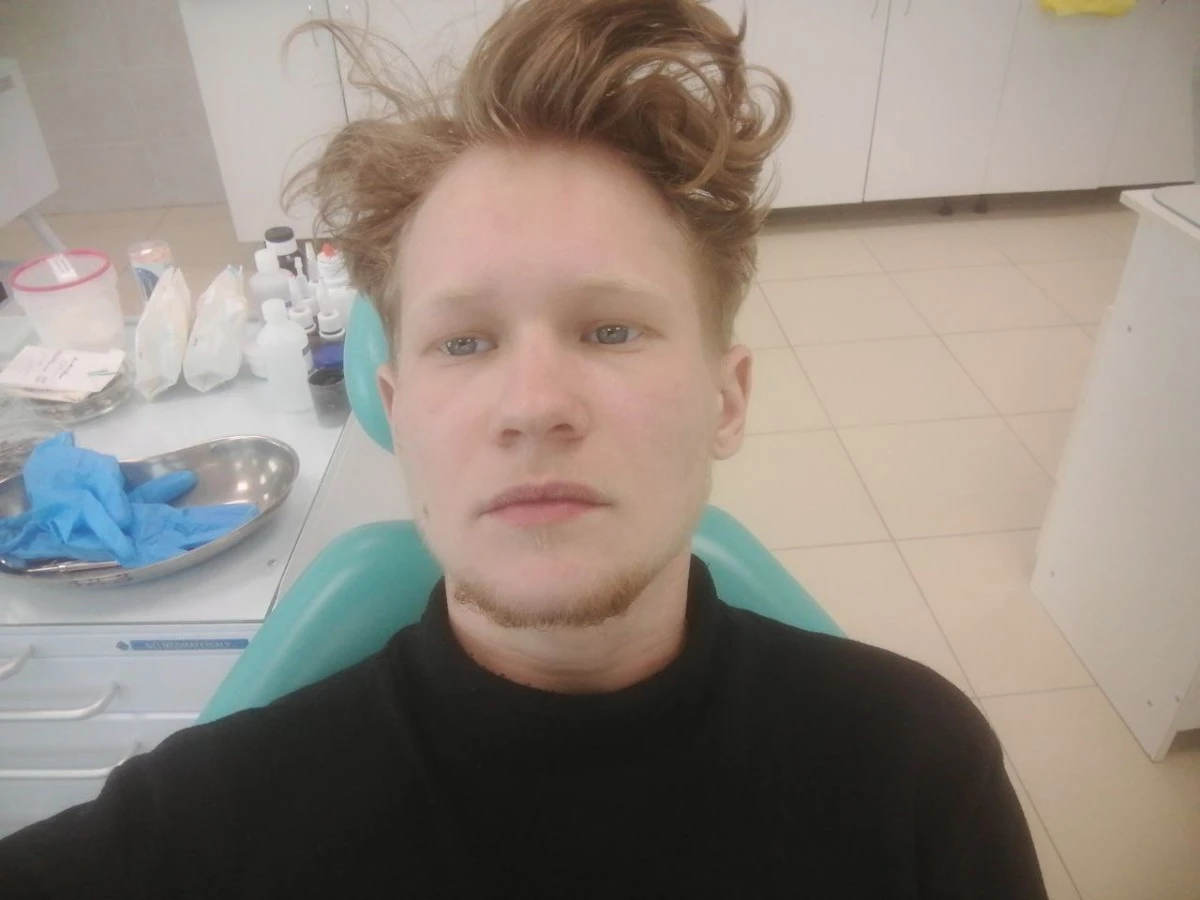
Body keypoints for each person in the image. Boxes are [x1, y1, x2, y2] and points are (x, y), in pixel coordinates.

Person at [0, 1, 1048, 897]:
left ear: (727, 401)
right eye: (464, 342)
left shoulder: (918, 770)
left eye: (611, 329)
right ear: (398, 411)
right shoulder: (212, 825)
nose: (535, 405)